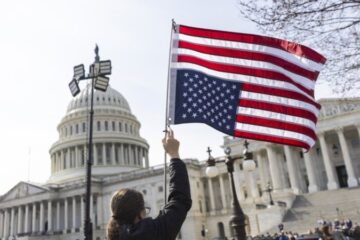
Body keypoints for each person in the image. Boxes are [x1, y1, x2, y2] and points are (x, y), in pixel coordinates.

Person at [107, 129, 192, 240]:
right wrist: (174, 155)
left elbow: (179, 200)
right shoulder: (153, 232)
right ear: (139, 213)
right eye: (145, 210)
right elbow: (180, 199)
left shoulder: (113, 236)